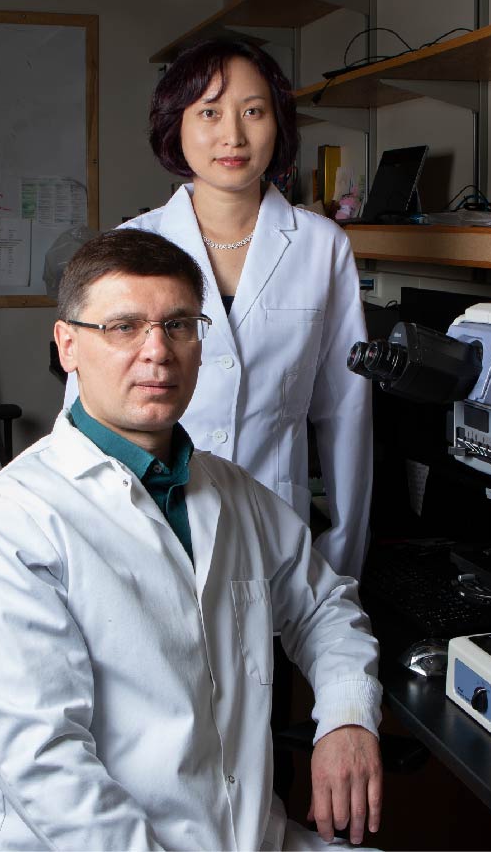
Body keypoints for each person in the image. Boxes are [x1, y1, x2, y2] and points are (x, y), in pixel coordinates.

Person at [0, 229, 383, 851]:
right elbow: (47, 765)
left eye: (179, 325)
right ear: (67, 344)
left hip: (255, 836)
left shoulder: (232, 493)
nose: (158, 353)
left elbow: (324, 606)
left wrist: (345, 717)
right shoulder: (8, 520)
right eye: (123, 327)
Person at [62, 38, 372, 581]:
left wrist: (343, 549)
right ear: (175, 127)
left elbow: (345, 411)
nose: (233, 135)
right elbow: (84, 413)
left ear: (278, 125)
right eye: (209, 112)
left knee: (270, 663)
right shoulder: (132, 244)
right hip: (143, 522)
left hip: (274, 531)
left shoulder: (322, 246)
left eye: (253, 111)